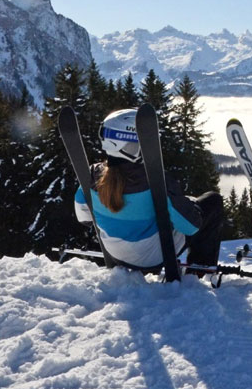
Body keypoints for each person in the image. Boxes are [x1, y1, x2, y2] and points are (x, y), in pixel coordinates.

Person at [73, 108, 225, 272]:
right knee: (212, 201)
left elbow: (84, 219)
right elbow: (190, 227)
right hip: (154, 257)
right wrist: (189, 205)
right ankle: (200, 273)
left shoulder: (90, 176)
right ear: (134, 143)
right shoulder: (155, 179)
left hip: (116, 254)